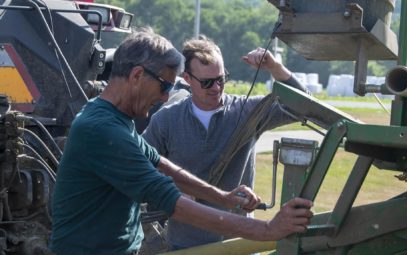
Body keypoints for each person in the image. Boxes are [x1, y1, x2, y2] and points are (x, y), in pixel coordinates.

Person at [49, 28, 313, 255]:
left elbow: (158, 161)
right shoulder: (103, 130)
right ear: (138, 75)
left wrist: (222, 197)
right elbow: (168, 199)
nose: (165, 97)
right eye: (165, 86)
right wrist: (268, 229)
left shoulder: (113, 117)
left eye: (221, 80)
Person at [142, 36, 312, 250]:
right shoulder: (166, 120)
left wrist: (274, 66)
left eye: (221, 79)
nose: (216, 88)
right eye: (207, 82)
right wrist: (174, 189)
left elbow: (305, 106)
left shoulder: (247, 112)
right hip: (185, 244)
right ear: (187, 78)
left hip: (238, 242)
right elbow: (140, 166)